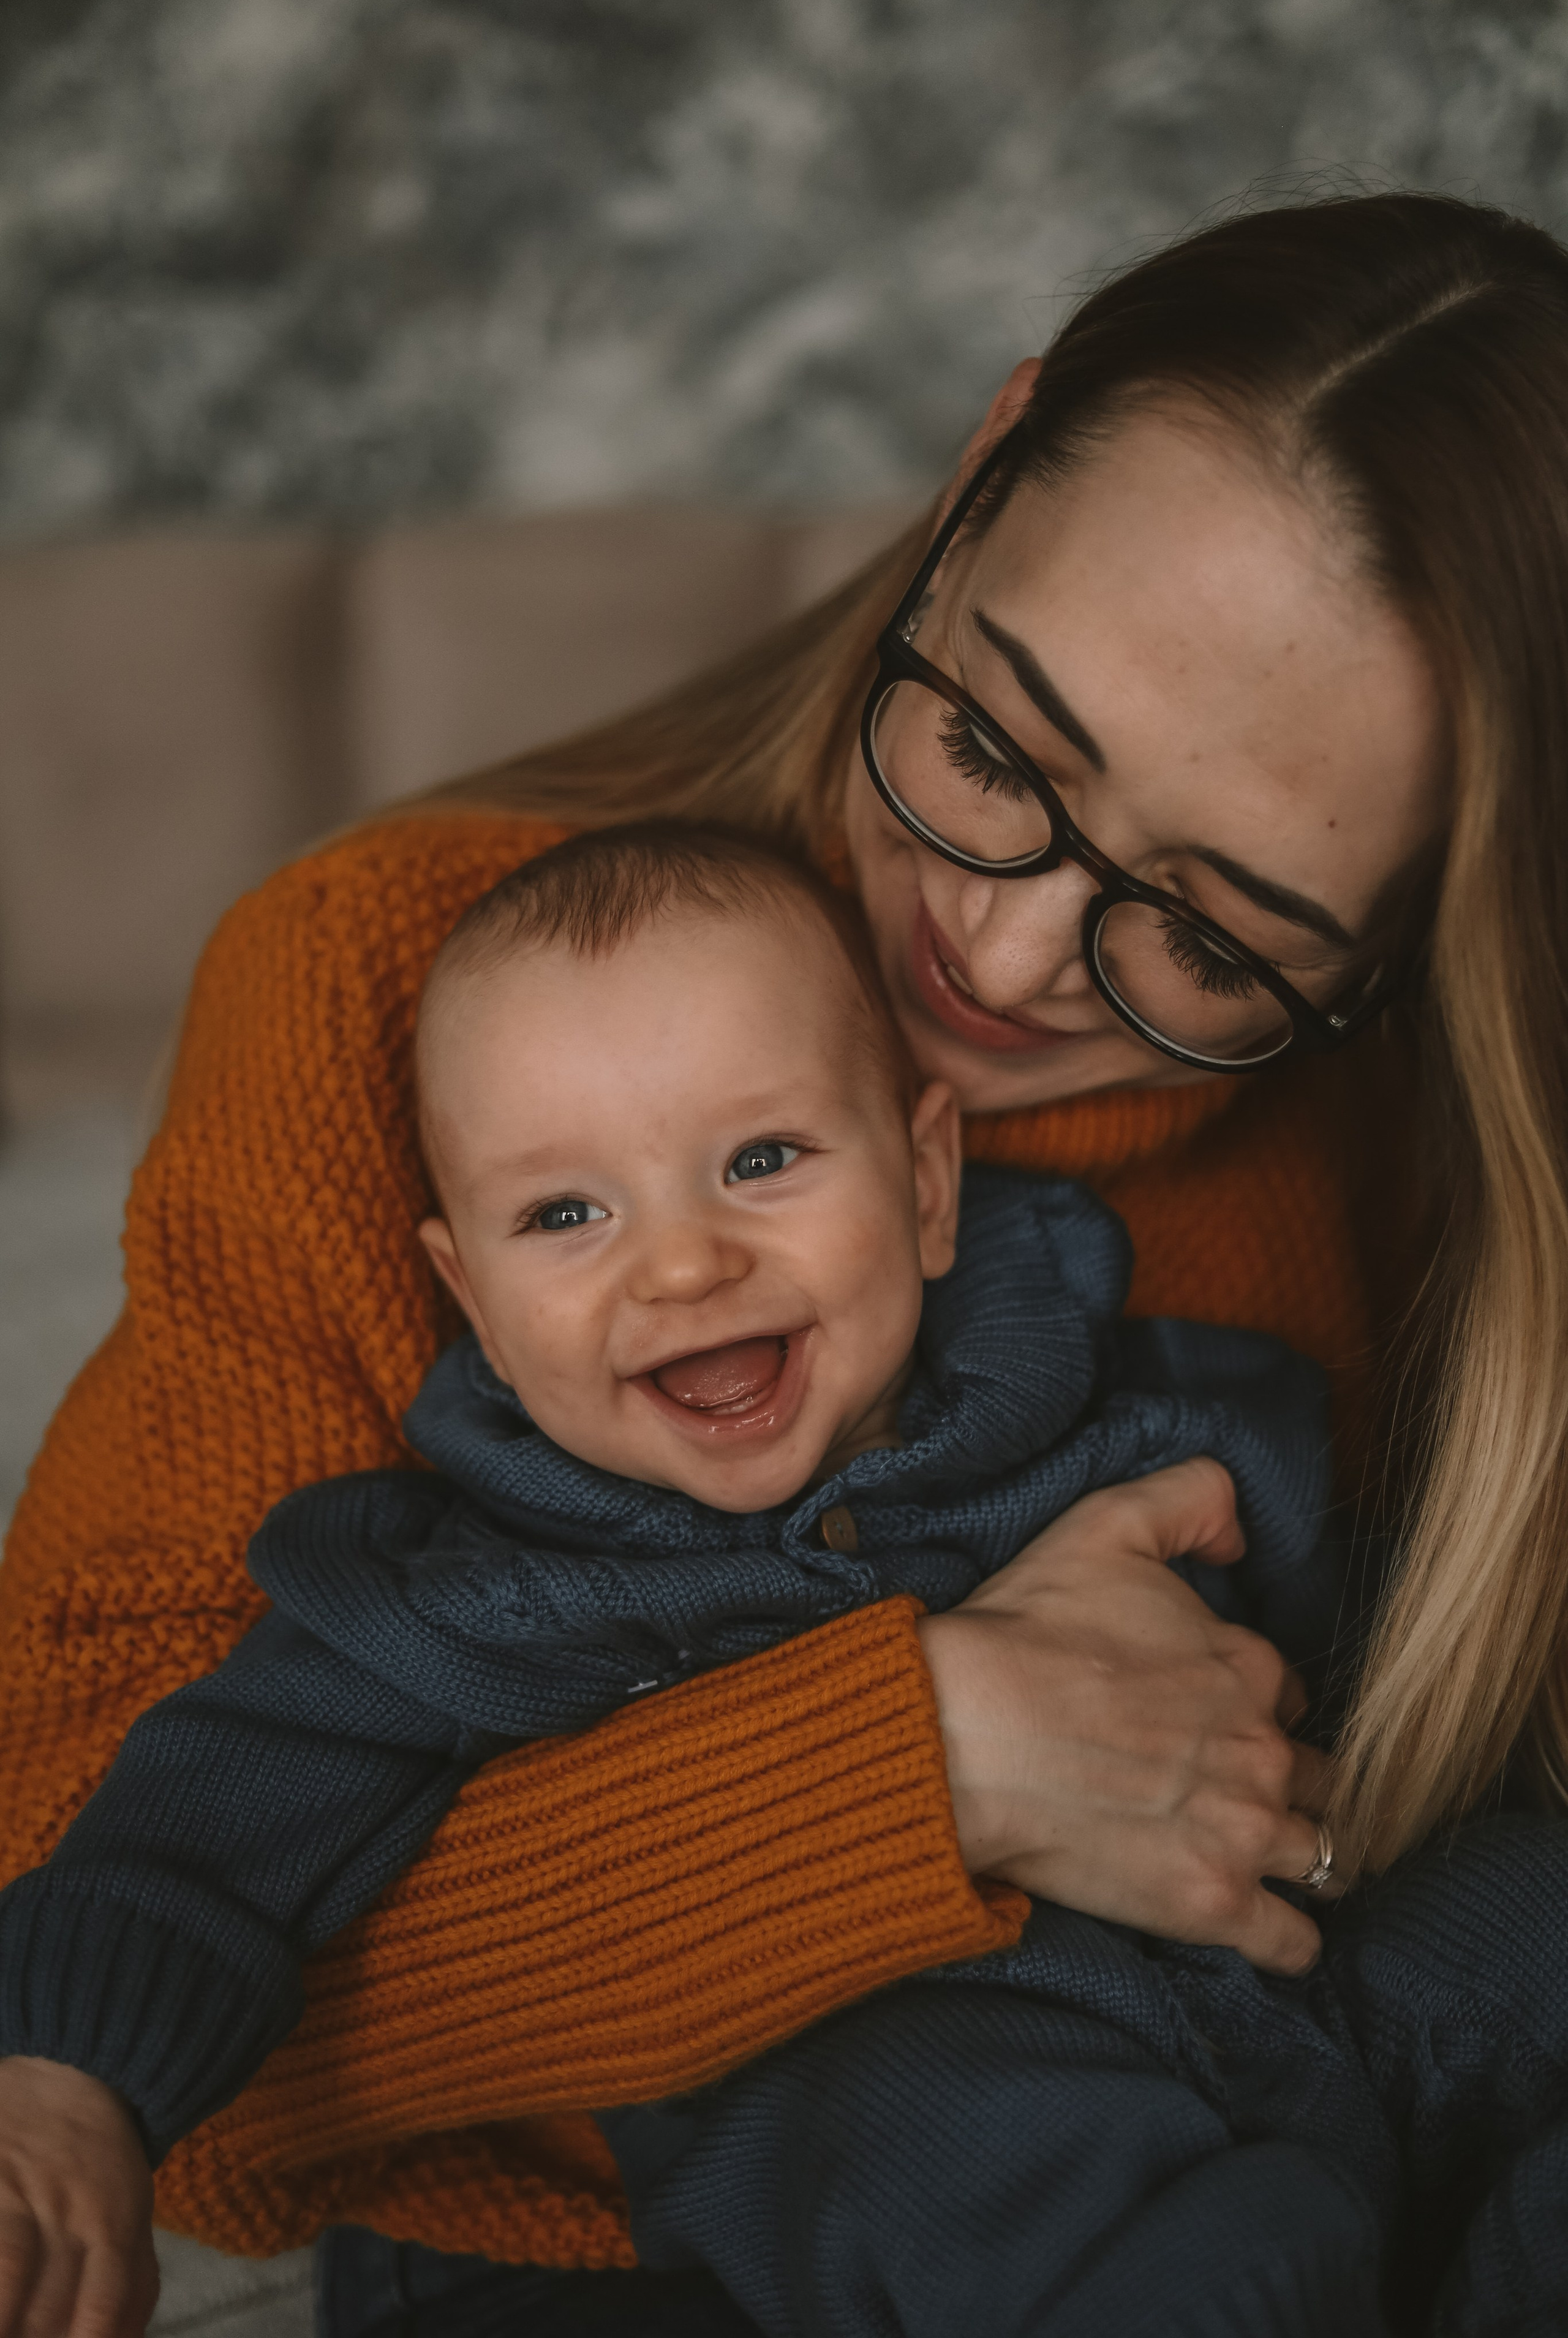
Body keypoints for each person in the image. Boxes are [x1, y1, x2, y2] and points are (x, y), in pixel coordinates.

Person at [1, 189, 1564, 2332]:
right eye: (1001, 746)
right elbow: (141, 1950)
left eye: (1213, 935)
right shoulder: (384, 996)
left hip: (1275, 2035)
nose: (1000, 956)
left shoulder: (1376, 1120)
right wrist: (926, 1766)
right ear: (982, 467)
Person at [0, 822, 1348, 2336]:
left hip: (1278, 1987)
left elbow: (1379, 1574)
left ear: (923, 1183)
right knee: (970, 2134)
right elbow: (198, 1828)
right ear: (474, 1306)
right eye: (564, 1215)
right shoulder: (471, 1597)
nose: (682, 1265)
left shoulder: (1119, 1415)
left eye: (759, 1160)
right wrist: (69, 2085)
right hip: (873, 2116)